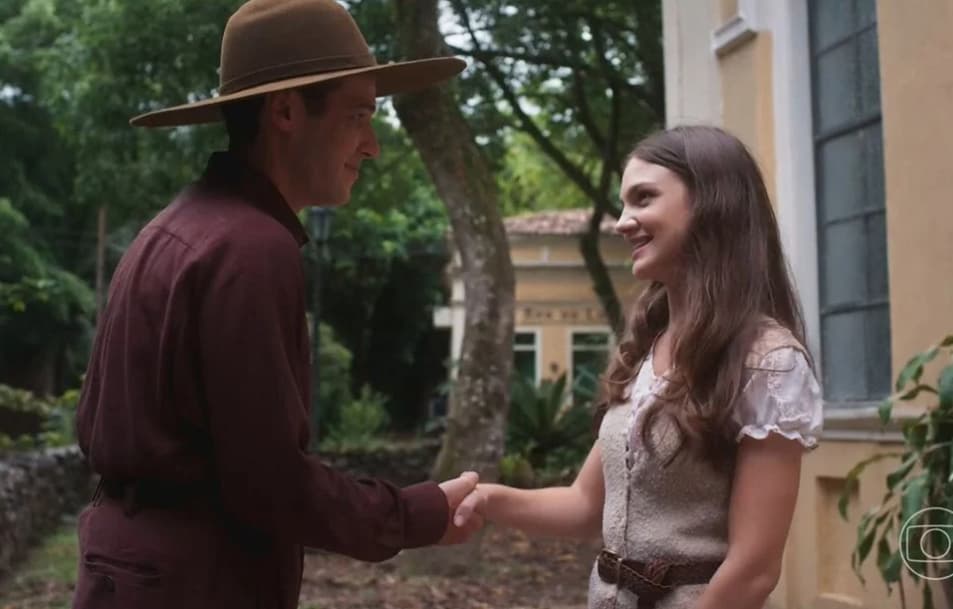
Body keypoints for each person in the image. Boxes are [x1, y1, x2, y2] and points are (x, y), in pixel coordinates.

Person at [72, 1, 482, 608]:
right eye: (358, 116)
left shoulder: (178, 228)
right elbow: (268, 481)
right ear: (286, 111)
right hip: (195, 583)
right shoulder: (249, 248)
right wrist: (415, 514)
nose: (372, 146)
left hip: (134, 567)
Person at [455, 125, 823, 609]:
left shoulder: (769, 364)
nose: (623, 221)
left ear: (713, 204)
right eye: (624, 204)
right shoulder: (648, 350)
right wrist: (489, 499)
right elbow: (586, 506)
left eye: (643, 199)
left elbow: (754, 570)